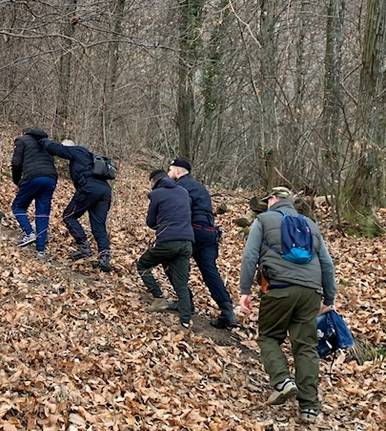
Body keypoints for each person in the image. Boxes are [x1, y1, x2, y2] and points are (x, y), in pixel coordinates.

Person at [239, 186, 337, 425]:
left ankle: (283, 381)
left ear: (274, 199)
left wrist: (244, 291)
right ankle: (309, 408)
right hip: (310, 292)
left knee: (269, 336)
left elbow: (250, 256)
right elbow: (326, 263)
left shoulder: (263, 220)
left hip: (278, 288)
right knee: (305, 347)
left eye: (268, 199)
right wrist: (329, 299)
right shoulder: (311, 224)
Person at [168, 158, 238, 329]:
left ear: (177, 172)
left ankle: (187, 302)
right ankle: (227, 310)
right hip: (209, 232)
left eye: (170, 170)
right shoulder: (200, 187)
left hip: (192, 230)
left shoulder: (179, 188)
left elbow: (178, 211)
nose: (168, 174)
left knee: (170, 261)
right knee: (209, 271)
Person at [41, 139, 112, 272]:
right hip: (105, 191)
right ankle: (104, 257)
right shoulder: (89, 157)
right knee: (98, 225)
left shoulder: (77, 150)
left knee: (69, 215)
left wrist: (43, 142)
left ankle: (84, 248)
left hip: (90, 189)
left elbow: (57, 149)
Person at [137, 170, 195, 328]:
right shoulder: (183, 192)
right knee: (181, 282)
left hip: (168, 241)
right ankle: (185, 319)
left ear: (154, 181)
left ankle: (158, 296)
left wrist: (161, 224)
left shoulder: (156, 194)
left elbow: (150, 222)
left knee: (142, 265)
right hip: (187, 242)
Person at [11, 128, 58, 260]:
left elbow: (16, 162)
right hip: (51, 179)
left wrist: (17, 181)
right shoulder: (45, 143)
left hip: (33, 177)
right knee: (42, 214)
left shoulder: (22, 141)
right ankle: (41, 251)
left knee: (17, 207)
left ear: (25, 133)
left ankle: (29, 233)